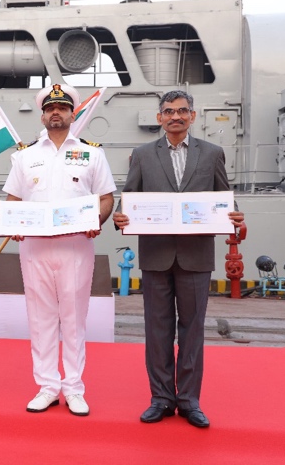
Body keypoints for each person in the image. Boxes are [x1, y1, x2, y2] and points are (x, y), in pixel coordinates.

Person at [112, 90, 245, 428]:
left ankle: (188, 400)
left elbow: (223, 200)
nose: (175, 116)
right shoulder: (142, 155)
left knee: (192, 331)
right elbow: (129, 197)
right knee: (157, 331)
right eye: (169, 111)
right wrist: (120, 215)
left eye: (182, 111)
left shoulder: (212, 154)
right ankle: (160, 398)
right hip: (155, 255)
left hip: (196, 256)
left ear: (193, 116)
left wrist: (235, 217)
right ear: (160, 118)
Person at [3, 84, 116, 416]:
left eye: (62, 108)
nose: (56, 112)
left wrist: (97, 219)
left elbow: (107, 197)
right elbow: (13, 201)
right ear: (43, 114)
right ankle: (48, 386)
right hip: (35, 249)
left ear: (72, 113)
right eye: (51, 108)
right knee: (40, 319)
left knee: (74, 318)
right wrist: (15, 226)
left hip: (76, 246)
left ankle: (74, 387)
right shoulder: (25, 156)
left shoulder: (92, 153)